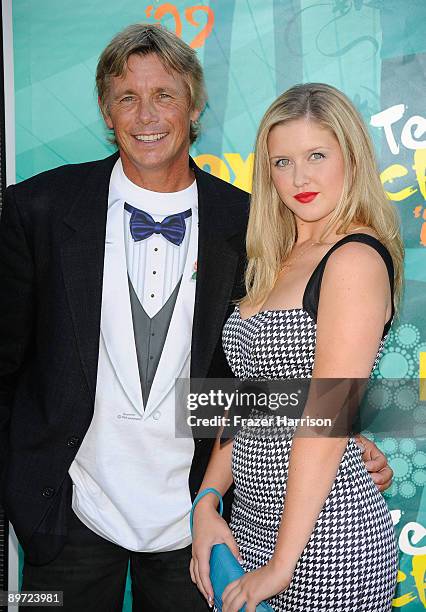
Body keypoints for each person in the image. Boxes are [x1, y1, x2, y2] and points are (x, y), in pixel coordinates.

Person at [0, 22, 392, 611]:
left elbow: (282, 378)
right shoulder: (38, 209)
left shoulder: (250, 225)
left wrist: (340, 428)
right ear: (106, 112)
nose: (145, 114)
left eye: (164, 94)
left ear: (195, 103)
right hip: (69, 512)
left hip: (199, 525)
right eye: (127, 97)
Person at [191, 83, 402, 612]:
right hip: (249, 525)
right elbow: (247, 399)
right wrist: (207, 500)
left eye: (316, 156)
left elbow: (326, 418)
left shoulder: (355, 260)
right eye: (282, 162)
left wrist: (282, 566)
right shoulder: (274, 256)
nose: (300, 178)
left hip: (329, 541)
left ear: (350, 155)